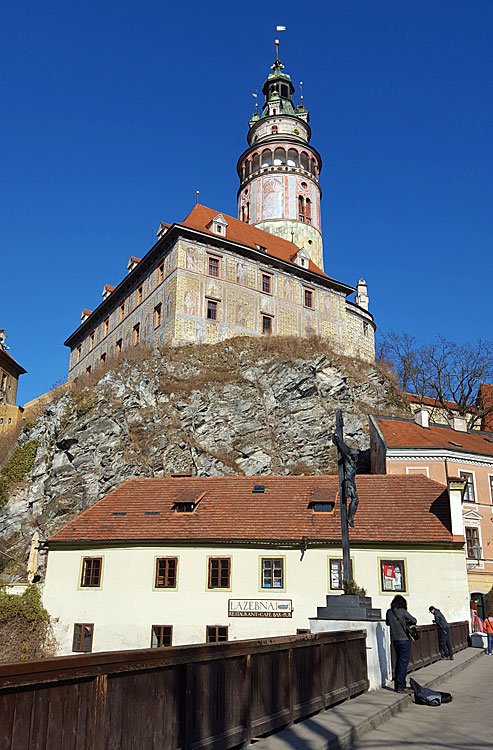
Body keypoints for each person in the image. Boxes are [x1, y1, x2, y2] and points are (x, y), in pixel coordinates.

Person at [386, 595, 417, 693]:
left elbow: (387, 623)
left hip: (395, 640)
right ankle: (401, 686)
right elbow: (414, 620)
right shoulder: (402, 611)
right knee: (403, 663)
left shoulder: (389, 612)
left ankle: (398, 685)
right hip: (404, 640)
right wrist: (406, 621)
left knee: (398, 662)